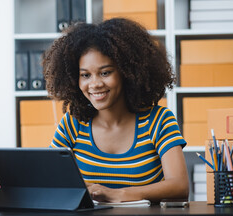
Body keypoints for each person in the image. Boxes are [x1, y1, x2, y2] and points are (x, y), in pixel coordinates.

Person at [42, 18, 189, 203]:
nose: (94, 84)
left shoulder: (159, 120)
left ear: (128, 73)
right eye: (85, 75)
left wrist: (117, 194)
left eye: (105, 73)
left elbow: (180, 186)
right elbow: (49, 182)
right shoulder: (72, 124)